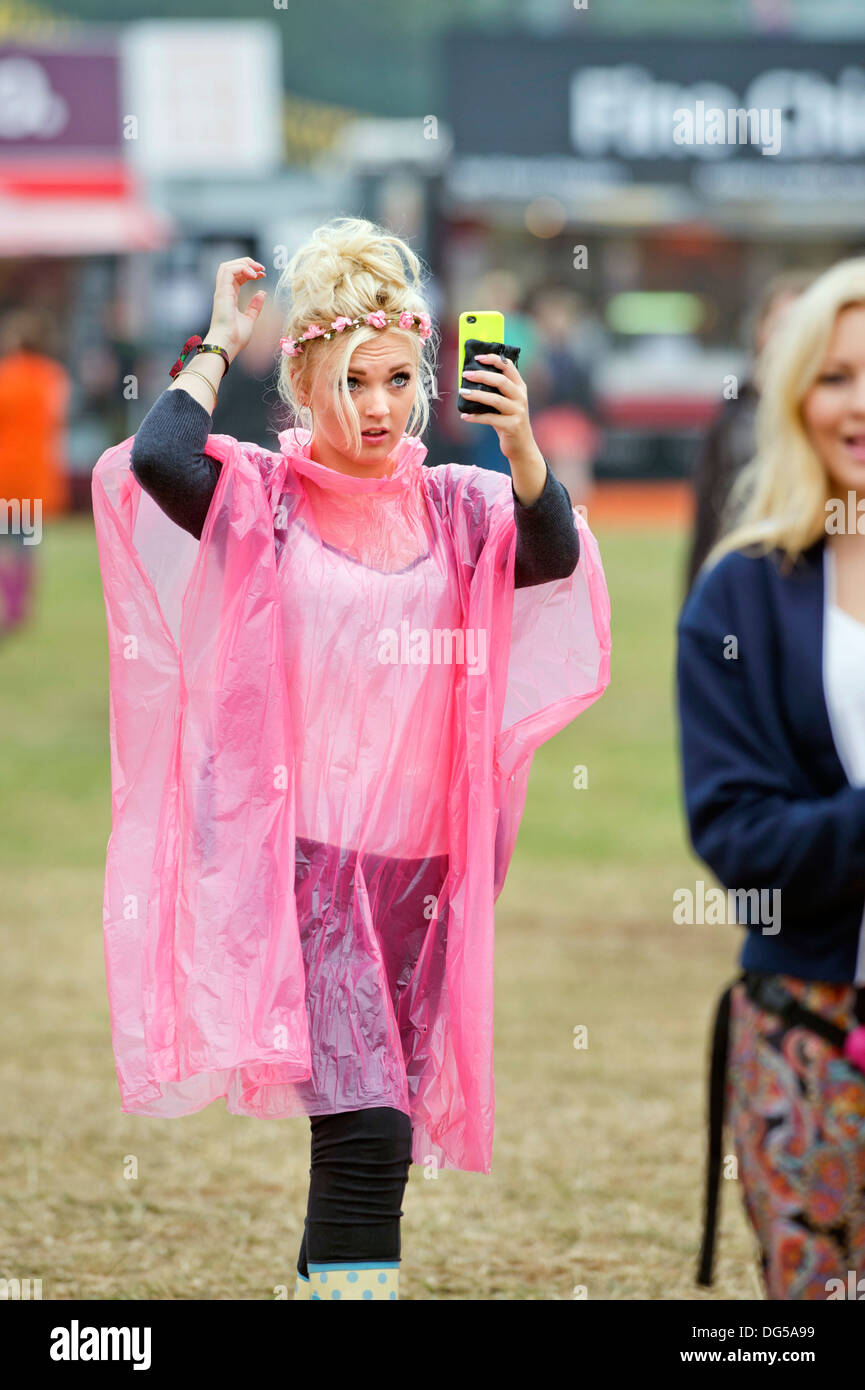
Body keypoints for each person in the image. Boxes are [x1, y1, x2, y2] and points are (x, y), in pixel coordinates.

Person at [91, 217, 611, 1301]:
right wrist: (220, 334)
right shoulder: (261, 504)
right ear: (304, 386)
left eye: (394, 379)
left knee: (371, 1137)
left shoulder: (460, 508)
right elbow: (155, 460)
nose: (377, 408)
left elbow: (553, 555)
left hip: (416, 883)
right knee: (368, 1129)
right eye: (349, 382)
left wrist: (520, 449)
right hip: (310, 871)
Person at [677, 256, 865, 1299]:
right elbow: (739, 840)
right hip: (808, 1029)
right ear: (794, 392)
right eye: (835, 375)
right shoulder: (740, 598)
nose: (860, 402)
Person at [684, 269, 816, 594]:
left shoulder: (837, 415)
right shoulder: (732, 412)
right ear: (761, 331)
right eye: (782, 325)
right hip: (742, 582)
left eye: (804, 326)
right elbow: (706, 521)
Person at [0, 308, 70, 635]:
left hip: (6, 474)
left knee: (4, 543)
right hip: (36, 475)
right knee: (27, 545)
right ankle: (19, 606)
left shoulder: (7, 376)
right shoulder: (54, 378)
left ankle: (8, 603)